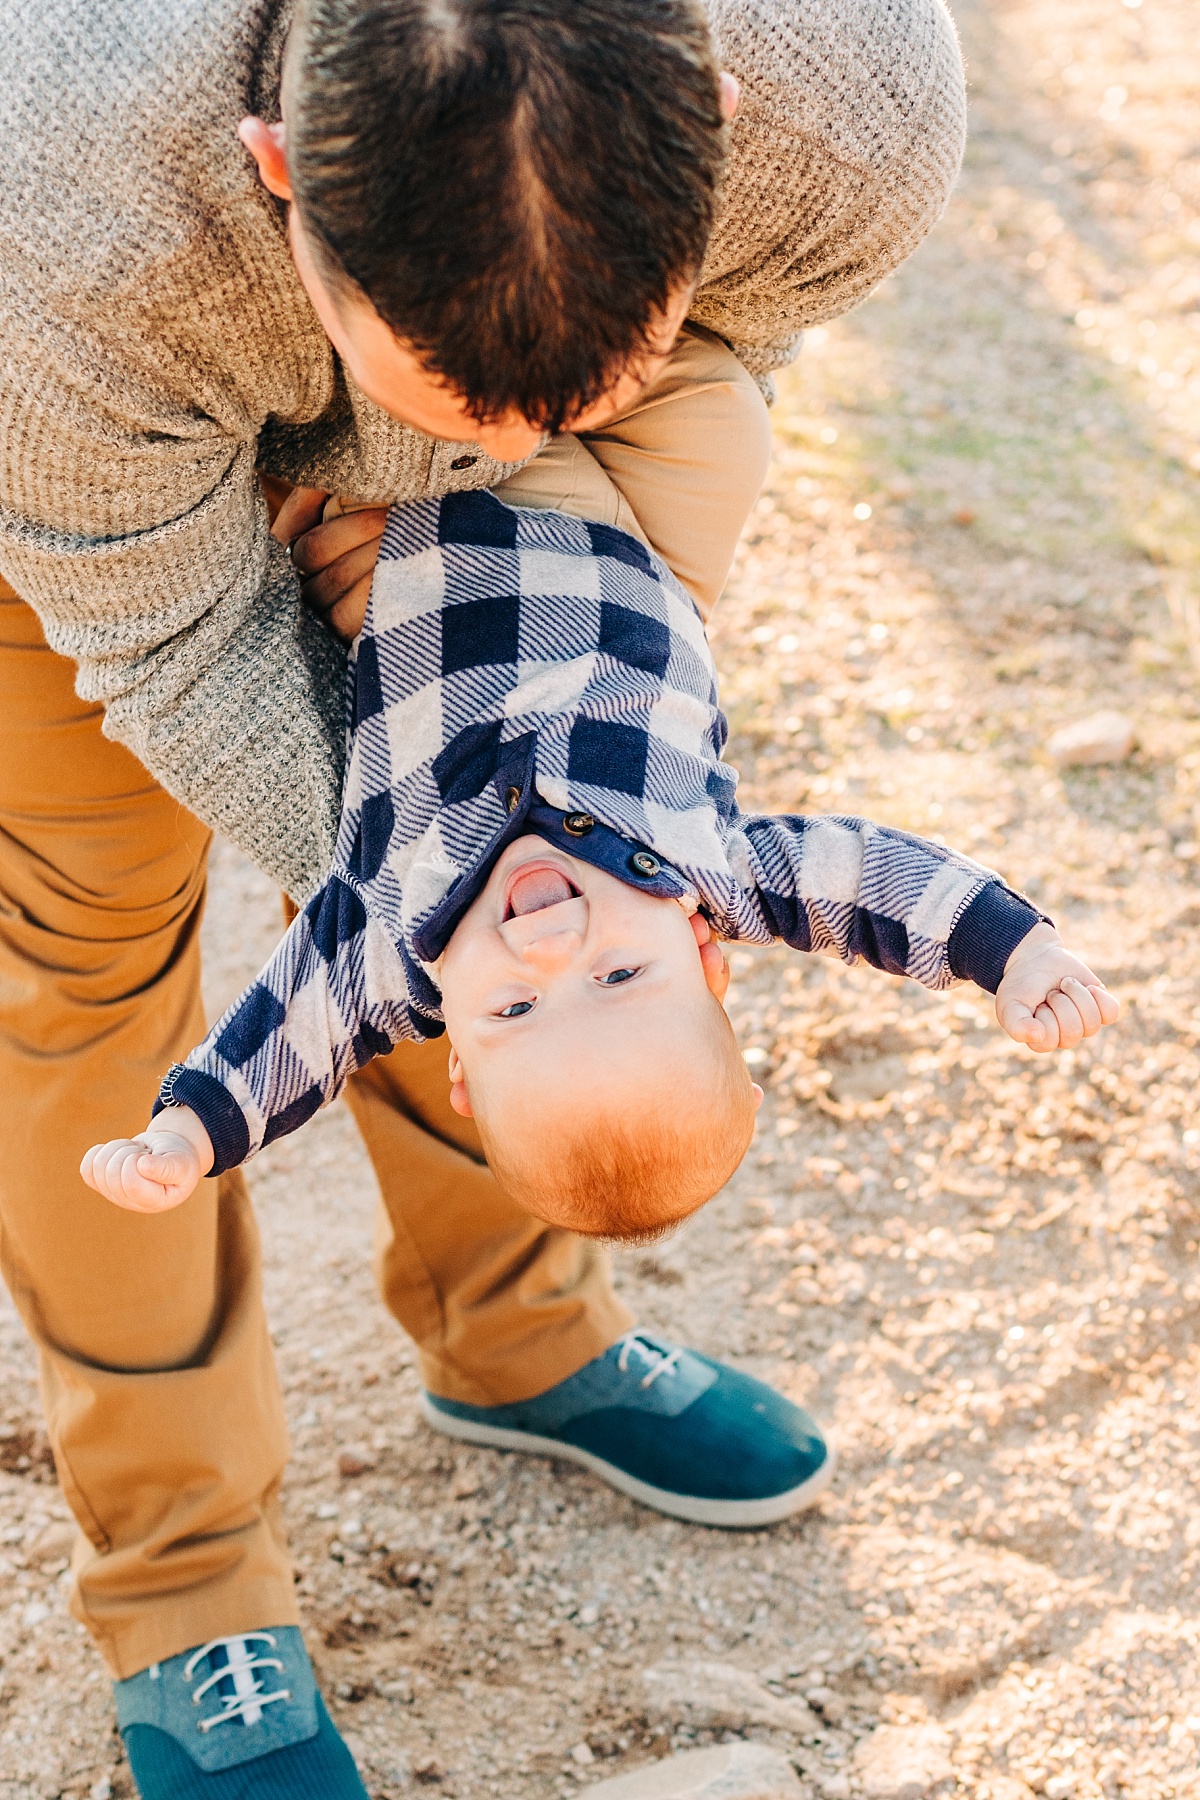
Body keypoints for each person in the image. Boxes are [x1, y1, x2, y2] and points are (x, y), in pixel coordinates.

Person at [0, 0, 970, 1791]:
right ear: (279, 178)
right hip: (108, 497)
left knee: (546, 925)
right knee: (98, 970)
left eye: (595, 362)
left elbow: (706, 386)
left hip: (511, 523)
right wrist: (431, 885)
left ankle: (518, 1339)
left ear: (722, 119)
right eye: (446, 394)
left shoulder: (856, 112)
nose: (511, 425)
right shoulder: (60, 207)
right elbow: (173, 643)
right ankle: (190, 1590)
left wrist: (532, 761)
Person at [81, 486, 1119, 1278]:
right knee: (703, 407)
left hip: (396, 533)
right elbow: (873, 886)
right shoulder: (709, 871)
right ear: (703, 956)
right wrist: (1011, 952)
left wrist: (188, 1133)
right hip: (616, 498)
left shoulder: (392, 951)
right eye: (621, 977)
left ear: (459, 1062)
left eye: (518, 1007)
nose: (550, 950)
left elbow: (292, 1039)